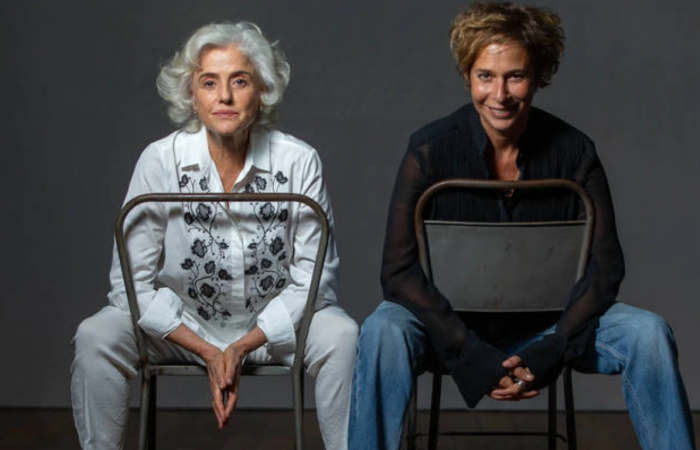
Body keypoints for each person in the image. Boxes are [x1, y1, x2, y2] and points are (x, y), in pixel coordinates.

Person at [349, 3, 695, 450]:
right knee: (382, 331)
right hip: (450, 326)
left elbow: (606, 267)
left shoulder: (574, 152)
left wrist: (552, 348)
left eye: (515, 76)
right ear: (467, 76)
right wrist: (468, 350)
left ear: (538, 76)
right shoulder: (429, 151)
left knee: (648, 334)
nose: (500, 94)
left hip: (552, 325)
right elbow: (397, 272)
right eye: (485, 76)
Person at [71, 22, 358, 450]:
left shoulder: (298, 161)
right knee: (96, 336)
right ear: (192, 94)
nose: (224, 97)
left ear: (263, 90)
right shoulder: (160, 160)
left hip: (274, 329)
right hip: (182, 327)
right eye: (209, 83)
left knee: (342, 336)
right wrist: (207, 350)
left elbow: (316, 283)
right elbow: (129, 285)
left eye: (239, 81)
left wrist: (241, 346)